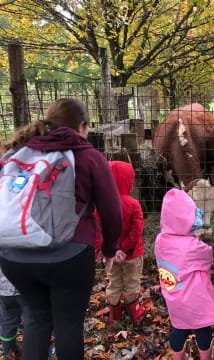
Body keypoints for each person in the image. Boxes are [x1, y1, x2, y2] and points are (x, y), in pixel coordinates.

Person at [0, 98, 123, 360]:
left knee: (35, 320)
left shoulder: (19, 151)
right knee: (68, 324)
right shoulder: (89, 156)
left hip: (14, 255)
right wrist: (110, 249)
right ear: (82, 126)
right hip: (69, 255)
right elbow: (112, 211)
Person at [155, 188, 214, 360]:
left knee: (179, 328)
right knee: (202, 328)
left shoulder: (160, 240)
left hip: (173, 296)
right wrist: (196, 236)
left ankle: (179, 357)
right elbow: (207, 257)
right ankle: (205, 357)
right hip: (195, 298)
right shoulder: (193, 246)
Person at [95, 161, 145, 325]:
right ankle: (135, 315)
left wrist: (106, 249)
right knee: (131, 283)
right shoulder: (133, 204)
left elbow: (98, 230)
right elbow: (137, 229)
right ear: (129, 180)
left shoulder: (101, 206)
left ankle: (114, 316)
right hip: (131, 255)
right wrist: (125, 247)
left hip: (111, 255)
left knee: (114, 283)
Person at [0, 267, 21, 358]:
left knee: (8, 323)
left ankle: (9, 353)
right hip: (26, 288)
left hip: (4, 290)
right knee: (33, 323)